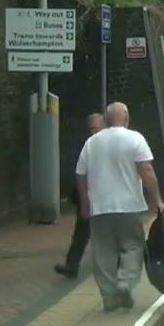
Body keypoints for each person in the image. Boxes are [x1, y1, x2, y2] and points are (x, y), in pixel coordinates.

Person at [76, 102, 164, 312]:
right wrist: (157, 200)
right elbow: (146, 170)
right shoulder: (135, 138)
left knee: (103, 253)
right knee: (133, 246)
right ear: (126, 118)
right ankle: (124, 283)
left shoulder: (91, 143)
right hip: (128, 206)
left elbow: (80, 175)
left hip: (99, 207)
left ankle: (109, 298)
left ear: (106, 120)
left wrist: (85, 203)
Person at [54, 113, 106, 279]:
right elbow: (79, 171)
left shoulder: (109, 145)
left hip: (106, 197)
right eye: (90, 129)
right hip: (89, 195)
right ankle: (71, 266)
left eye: (95, 129)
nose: (92, 132)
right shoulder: (87, 145)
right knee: (81, 233)